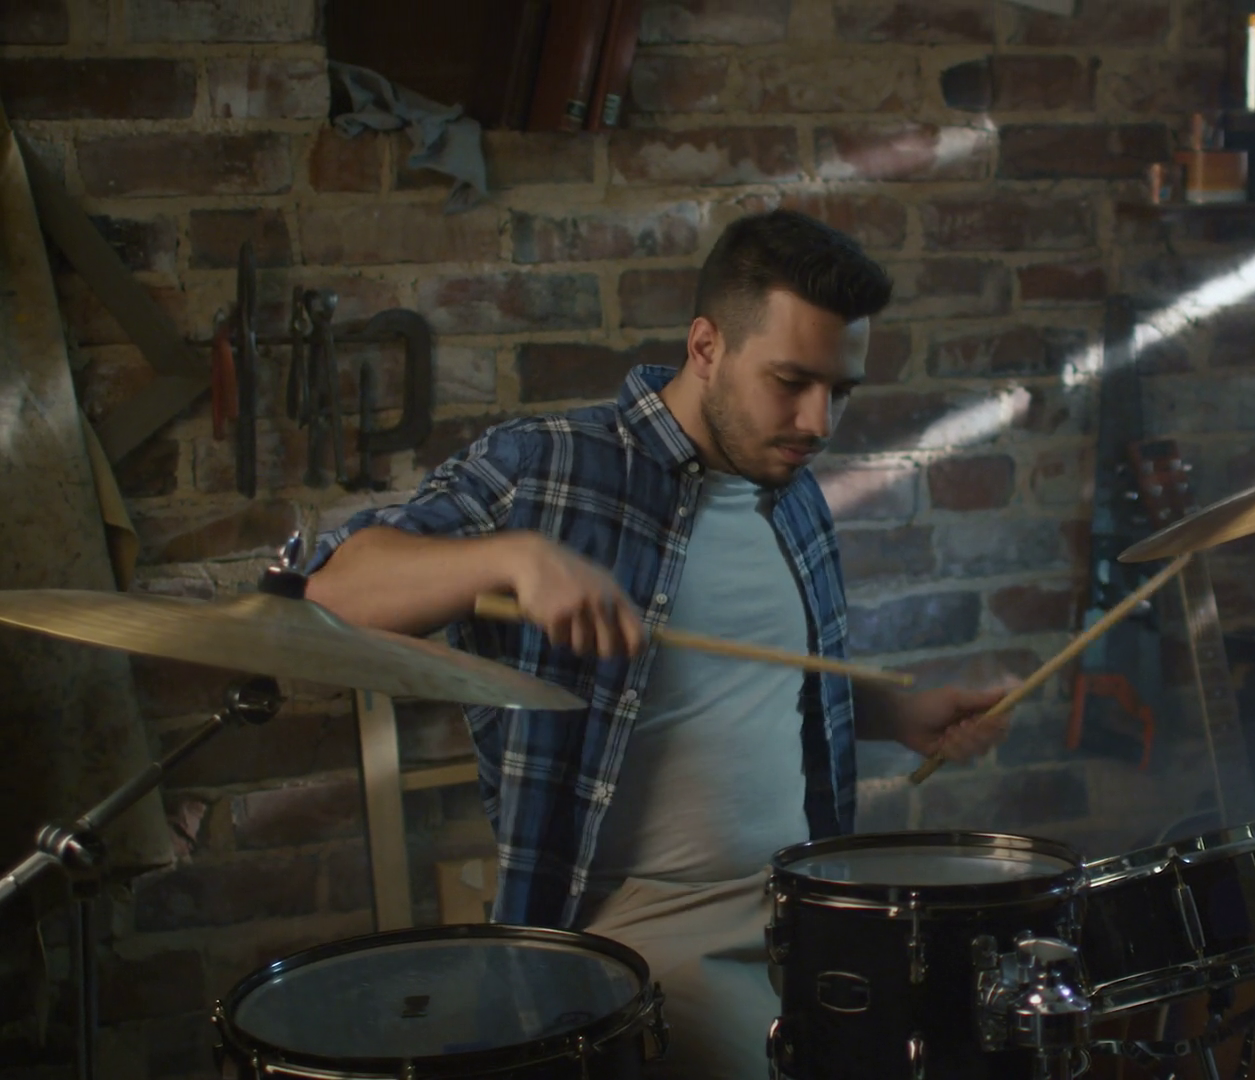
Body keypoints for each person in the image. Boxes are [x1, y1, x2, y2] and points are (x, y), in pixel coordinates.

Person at [305, 210, 1012, 1076]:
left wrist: (901, 714)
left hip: (803, 907)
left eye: (840, 390)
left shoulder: (793, 494)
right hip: (637, 934)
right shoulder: (549, 465)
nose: (819, 421)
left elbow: (751, 684)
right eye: (791, 381)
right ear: (706, 345)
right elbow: (329, 590)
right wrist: (510, 557)